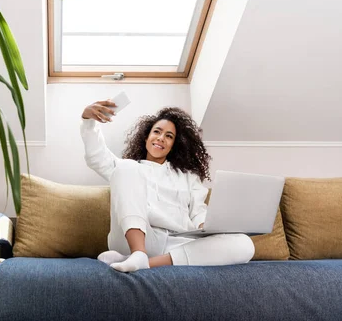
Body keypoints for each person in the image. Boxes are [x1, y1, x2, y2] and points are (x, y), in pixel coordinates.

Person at [80, 100, 255, 273]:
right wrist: (88, 120)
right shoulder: (130, 169)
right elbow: (96, 156)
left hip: (178, 244)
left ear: (173, 146)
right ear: (146, 137)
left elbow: (198, 212)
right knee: (126, 166)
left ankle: (145, 262)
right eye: (157, 132)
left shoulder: (188, 176)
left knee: (245, 244)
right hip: (137, 238)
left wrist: (207, 227)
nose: (161, 138)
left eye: (169, 136)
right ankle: (138, 252)